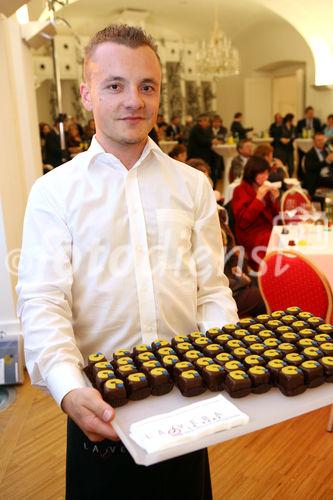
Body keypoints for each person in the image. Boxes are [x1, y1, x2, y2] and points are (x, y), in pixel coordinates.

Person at [17, 24, 238, 500]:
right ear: (87, 94)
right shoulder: (54, 192)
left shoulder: (192, 185)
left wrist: (217, 356)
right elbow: (42, 301)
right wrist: (68, 390)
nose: (134, 100)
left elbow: (213, 289)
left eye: (147, 86)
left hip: (186, 398)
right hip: (100, 406)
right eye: (115, 85)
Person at [232, 156, 280, 271]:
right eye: (261, 174)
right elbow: (243, 221)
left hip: (267, 230)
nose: (265, 177)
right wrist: (258, 199)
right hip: (249, 233)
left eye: (267, 173)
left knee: (285, 237)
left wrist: (274, 200)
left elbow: (276, 218)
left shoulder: (264, 188)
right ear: (252, 173)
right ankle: (267, 276)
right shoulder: (240, 190)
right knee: (273, 241)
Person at [187, 113, 221, 187]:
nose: (208, 124)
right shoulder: (197, 129)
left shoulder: (201, 129)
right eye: (207, 121)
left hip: (201, 154)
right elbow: (202, 141)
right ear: (202, 121)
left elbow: (206, 139)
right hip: (197, 155)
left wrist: (212, 140)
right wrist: (212, 141)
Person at [302, 132, 333, 197]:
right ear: (313, 142)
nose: (321, 142)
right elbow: (310, 168)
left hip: (328, 175)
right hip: (317, 178)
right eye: (318, 140)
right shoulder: (310, 154)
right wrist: (326, 161)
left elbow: (330, 165)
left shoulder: (326, 150)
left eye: (322, 140)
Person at [273, 113, 296, 177]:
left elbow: (295, 136)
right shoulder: (280, 127)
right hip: (281, 149)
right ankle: (281, 178)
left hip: (289, 149)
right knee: (281, 165)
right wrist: (281, 139)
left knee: (291, 166)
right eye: (292, 120)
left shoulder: (293, 127)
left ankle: (289, 178)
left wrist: (289, 140)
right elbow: (276, 137)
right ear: (289, 120)